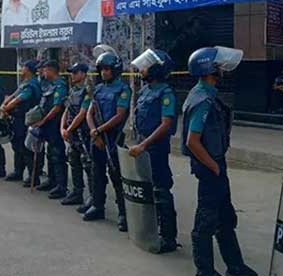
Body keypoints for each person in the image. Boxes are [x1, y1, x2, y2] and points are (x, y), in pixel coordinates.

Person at [182, 46, 257, 276]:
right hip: (210, 168)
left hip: (215, 166)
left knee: (225, 218)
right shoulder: (203, 99)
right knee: (205, 222)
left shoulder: (207, 94)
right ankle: (204, 270)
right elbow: (192, 141)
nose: (222, 70)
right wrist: (214, 166)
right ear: (208, 69)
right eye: (218, 66)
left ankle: (235, 266)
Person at [128, 48, 180, 253]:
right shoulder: (144, 91)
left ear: (157, 69)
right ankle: (149, 229)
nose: (142, 70)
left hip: (155, 149)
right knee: (144, 188)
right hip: (142, 146)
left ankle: (168, 237)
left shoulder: (165, 93)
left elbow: (166, 124)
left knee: (161, 191)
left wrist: (144, 144)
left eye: (146, 66)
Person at [84, 51, 129, 232]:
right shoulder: (98, 89)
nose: (104, 72)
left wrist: (99, 131)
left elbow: (120, 115)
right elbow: (89, 112)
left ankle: (123, 214)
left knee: (117, 176)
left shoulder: (123, 89)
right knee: (97, 173)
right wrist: (94, 132)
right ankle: (97, 205)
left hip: (113, 138)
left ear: (115, 70)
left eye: (108, 69)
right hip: (96, 137)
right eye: (102, 69)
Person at [31, 60, 69, 199]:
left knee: (58, 154)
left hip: (55, 123)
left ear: (52, 70)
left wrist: (44, 120)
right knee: (50, 153)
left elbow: (57, 108)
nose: (43, 72)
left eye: (45, 70)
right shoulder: (48, 85)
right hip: (47, 125)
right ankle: (52, 180)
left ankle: (61, 186)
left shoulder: (60, 86)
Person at [0, 60, 42, 184]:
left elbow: (20, 98)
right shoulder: (25, 82)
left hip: (27, 119)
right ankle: (18, 171)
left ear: (28, 69)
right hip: (18, 118)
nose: (21, 69)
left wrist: (6, 107)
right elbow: (14, 95)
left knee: (27, 148)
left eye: (23, 67)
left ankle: (33, 176)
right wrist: (5, 104)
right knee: (17, 145)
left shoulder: (32, 84)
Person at [60, 62, 94, 209]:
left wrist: (69, 128)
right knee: (74, 161)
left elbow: (83, 113)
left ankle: (93, 197)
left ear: (83, 74)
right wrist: (63, 128)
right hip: (72, 133)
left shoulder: (88, 91)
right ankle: (77, 192)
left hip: (83, 133)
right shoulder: (73, 90)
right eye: (71, 72)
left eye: (75, 72)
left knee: (88, 164)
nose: (72, 75)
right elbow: (67, 110)